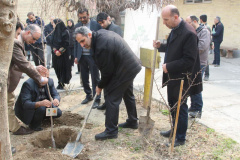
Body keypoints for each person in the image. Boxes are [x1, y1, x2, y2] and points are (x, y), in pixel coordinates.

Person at [74, 26, 142, 140]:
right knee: (127, 93)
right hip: (129, 66)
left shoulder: (102, 46)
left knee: (111, 96)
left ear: (89, 35)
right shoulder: (99, 35)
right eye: (79, 42)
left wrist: (100, 85)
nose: (82, 45)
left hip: (125, 69)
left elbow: (107, 72)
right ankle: (132, 121)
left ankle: (111, 131)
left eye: (83, 41)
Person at [153, 5, 202, 147]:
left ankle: (180, 138)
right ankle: (174, 130)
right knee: (173, 105)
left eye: (166, 19)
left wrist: (169, 66)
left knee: (180, 107)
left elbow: (189, 60)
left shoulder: (189, 33)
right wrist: (160, 46)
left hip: (183, 78)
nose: (164, 23)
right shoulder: (175, 29)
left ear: (175, 17)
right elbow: (173, 47)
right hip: (174, 76)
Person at [8, 24, 48, 135]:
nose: (34, 42)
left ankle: (11, 126)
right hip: (6, 83)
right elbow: (23, 64)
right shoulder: (15, 42)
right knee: (7, 105)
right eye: (34, 38)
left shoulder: (19, 42)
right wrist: (40, 78)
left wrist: (34, 67)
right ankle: (15, 129)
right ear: (28, 32)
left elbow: (18, 63)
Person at [74, 8, 102, 108]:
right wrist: (76, 56)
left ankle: (96, 98)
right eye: (80, 17)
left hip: (93, 55)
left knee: (95, 77)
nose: (82, 19)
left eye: (84, 17)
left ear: (88, 15)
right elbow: (76, 43)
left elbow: (99, 40)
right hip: (82, 56)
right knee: (84, 77)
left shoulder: (95, 25)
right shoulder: (77, 26)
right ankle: (88, 95)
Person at [96, 12, 123, 110]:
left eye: (102, 22)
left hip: (115, 63)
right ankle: (106, 103)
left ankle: (111, 106)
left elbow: (118, 45)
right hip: (106, 62)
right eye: (100, 23)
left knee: (112, 85)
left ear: (108, 18)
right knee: (106, 84)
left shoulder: (116, 29)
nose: (102, 25)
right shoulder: (103, 30)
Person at [186, 15, 211, 118]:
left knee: (196, 85)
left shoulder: (204, 32)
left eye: (188, 22)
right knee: (191, 85)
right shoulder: (194, 31)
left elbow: (202, 47)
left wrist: (188, 48)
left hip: (200, 62)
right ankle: (193, 107)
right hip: (193, 62)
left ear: (195, 21)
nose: (187, 25)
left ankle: (197, 109)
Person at [50, 19, 72, 90]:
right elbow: (52, 43)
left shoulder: (65, 32)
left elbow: (66, 43)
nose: (53, 25)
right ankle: (59, 81)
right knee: (57, 68)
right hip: (55, 54)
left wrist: (60, 51)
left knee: (63, 68)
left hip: (63, 55)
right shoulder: (54, 32)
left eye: (54, 24)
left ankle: (61, 82)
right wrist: (55, 50)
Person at [200, 14, 211, 81]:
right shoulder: (201, 26)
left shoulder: (207, 27)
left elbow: (210, 37)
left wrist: (211, 44)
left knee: (206, 61)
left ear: (201, 19)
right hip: (205, 45)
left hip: (206, 46)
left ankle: (206, 75)